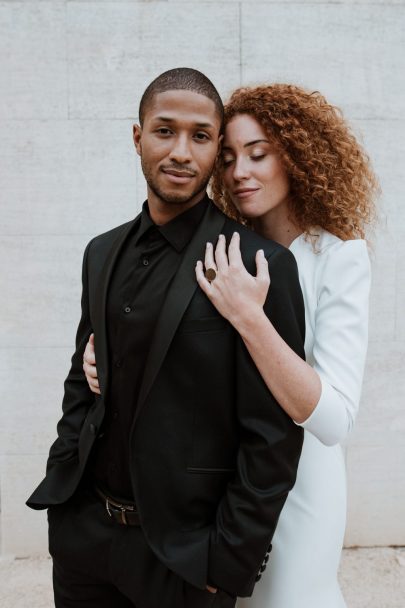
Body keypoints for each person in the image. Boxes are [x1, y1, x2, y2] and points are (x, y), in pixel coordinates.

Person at [83, 82, 378, 607]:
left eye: (259, 154)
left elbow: (333, 420)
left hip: (299, 489)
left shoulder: (340, 257)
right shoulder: (221, 247)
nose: (240, 171)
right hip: (221, 491)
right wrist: (106, 355)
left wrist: (250, 318)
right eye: (228, 157)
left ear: (299, 157)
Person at [26, 69, 306, 608]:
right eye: (164, 131)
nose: (181, 151)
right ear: (138, 137)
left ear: (216, 148)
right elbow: (81, 380)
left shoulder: (257, 264)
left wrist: (226, 563)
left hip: (184, 560)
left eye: (200, 136)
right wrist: (65, 485)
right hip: (83, 540)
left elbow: (271, 437)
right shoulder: (100, 253)